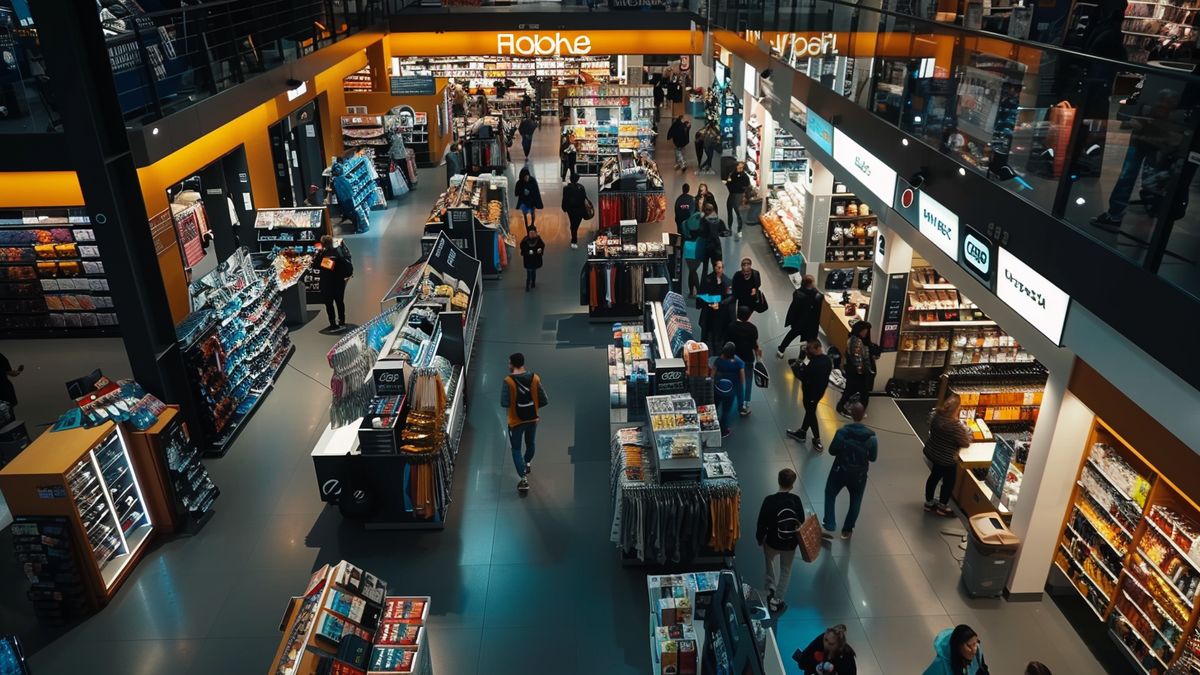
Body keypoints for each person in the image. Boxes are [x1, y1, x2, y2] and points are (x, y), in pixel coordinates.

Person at [822, 402, 877, 539]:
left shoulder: (842, 433)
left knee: (830, 493)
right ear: (864, 416)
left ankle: (829, 523)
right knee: (855, 501)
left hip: (840, 471)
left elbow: (832, 451)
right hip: (859, 475)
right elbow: (873, 457)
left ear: (850, 414)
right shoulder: (872, 437)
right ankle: (847, 530)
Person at [755, 468, 805, 613]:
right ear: (792, 485)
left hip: (771, 542)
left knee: (770, 565)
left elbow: (761, 522)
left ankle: (770, 589)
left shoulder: (769, 500)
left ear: (778, 480)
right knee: (786, 570)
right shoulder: (796, 500)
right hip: (790, 543)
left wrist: (760, 538)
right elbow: (800, 520)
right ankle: (777, 600)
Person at [500, 352, 548, 493]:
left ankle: (523, 479)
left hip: (516, 421)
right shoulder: (535, 378)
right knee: (530, 443)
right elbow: (544, 399)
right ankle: (527, 462)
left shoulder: (508, 381)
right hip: (532, 418)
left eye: (509, 363)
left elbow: (504, 403)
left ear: (513, 364)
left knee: (516, 449)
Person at [924, 395, 972, 517]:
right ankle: (942, 506)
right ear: (956, 409)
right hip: (947, 459)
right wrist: (967, 431)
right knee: (949, 482)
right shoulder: (955, 426)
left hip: (934, 453)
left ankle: (929, 502)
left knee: (934, 477)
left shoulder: (936, 417)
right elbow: (965, 443)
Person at [786, 340, 834, 451]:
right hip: (819, 392)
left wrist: (796, 365)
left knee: (811, 413)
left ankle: (817, 439)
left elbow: (801, 375)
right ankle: (802, 432)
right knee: (810, 411)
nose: (808, 352)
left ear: (817, 348)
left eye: (809, 350)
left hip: (810, 394)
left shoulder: (815, 364)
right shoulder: (826, 360)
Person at [725, 305, 761, 416]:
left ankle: (730, 399)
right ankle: (745, 404)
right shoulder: (753, 328)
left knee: (734, 379)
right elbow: (755, 345)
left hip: (734, 358)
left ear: (737, 314)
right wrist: (758, 358)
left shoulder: (731, 326)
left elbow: (727, 342)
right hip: (748, 359)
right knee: (748, 381)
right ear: (749, 316)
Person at [312, 235, 352, 331]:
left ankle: (333, 323)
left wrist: (319, 256)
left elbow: (315, 265)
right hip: (338, 282)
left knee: (329, 304)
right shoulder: (338, 252)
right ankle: (342, 321)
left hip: (326, 283)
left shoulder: (321, 254)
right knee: (340, 302)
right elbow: (343, 264)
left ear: (323, 244)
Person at [778, 275, 823, 358]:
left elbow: (794, 309)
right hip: (810, 324)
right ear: (811, 283)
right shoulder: (817, 296)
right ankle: (801, 357)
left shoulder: (798, 293)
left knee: (790, 335)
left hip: (798, 322)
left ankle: (781, 349)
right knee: (804, 342)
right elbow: (817, 312)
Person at [837, 322, 877, 415]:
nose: (865, 333)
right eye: (864, 331)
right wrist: (864, 372)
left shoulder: (852, 339)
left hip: (853, 372)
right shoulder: (857, 342)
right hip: (857, 373)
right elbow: (858, 359)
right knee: (863, 393)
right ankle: (857, 412)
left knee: (851, 390)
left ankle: (842, 407)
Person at [696, 258, 735, 351]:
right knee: (706, 333)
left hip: (721, 314)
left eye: (721, 268)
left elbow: (730, 297)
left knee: (718, 335)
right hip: (708, 312)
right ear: (714, 268)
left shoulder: (728, 282)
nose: (719, 270)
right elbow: (702, 294)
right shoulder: (707, 280)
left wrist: (720, 303)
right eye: (717, 267)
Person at [793, 624, 858, 675]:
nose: (826, 645)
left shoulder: (847, 657)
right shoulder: (822, 639)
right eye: (826, 640)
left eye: (831, 644)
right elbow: (802, 662)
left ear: (839, 645)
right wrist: (816, 667)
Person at [710, 342, 745, 437]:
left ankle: (709, 425)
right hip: (730, 392)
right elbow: (742, 379)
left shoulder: (718, 361)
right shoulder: (739, 363)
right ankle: (723, 430)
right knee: (725, 411)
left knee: (714, 407)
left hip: (717, 390)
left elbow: (712, 376)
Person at [681, 206, 704, 296]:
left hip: (688, 248)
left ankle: (691, 292)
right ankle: (699, 292)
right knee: (693, 271)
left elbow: (684, 233)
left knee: (692, 271)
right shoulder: (701, 224)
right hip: (697, 248)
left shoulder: (685, 223)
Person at [698, 201, 725, 279]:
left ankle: (717, 284)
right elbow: (723, 232)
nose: (707, 212)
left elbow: (723, 232)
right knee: (707, 268)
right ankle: (708, 286)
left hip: (712, 246)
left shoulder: (708, 220)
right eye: (706, 210)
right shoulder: (706, 220)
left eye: (709, 210)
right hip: (710, 246)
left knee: (716, 268)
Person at [724, 161, 751, 237]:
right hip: (731, 195)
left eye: (741, 167)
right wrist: (728, 183)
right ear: (736, 166)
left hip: (739, 196)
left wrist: (745, 197)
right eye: (739, 166)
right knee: (729, 212)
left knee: (739, 214)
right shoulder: (732, 174)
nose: (740, 168)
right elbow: (728, 185)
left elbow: (747, 188)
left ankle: (739, 230)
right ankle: (729, 228)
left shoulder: (745, 177)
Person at [561, 173, 588, 249]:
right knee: (575, 224)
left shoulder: (566, 188)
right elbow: (584, 198)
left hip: (571, 210)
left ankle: (574, 239)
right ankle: (574, 239)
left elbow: (565, 199)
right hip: (580, 209)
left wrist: (564, 207)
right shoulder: (581, 187)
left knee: (573, 223)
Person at [519, 226, 545, 291]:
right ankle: (527, 284)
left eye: (533, 233)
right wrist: (527, 252)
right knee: (529, 272)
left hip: (535, 259)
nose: (532, 234)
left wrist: (540, 250)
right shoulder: (525, 241)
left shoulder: (538, 240)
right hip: (528, 259)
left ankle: (533, 282)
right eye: (531, 233)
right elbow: (522, 248)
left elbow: (542, 246)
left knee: (533, 271)